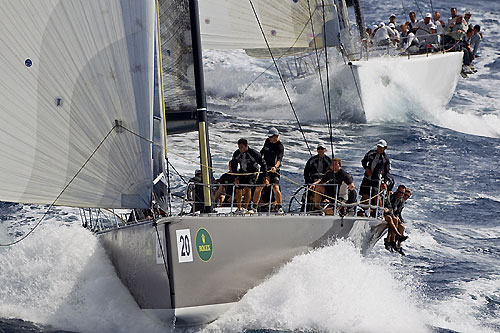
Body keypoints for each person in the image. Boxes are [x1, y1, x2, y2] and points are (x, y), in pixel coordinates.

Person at [230, 138, 267, 213]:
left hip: (252, 172)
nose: (240, 149)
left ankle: (245, 208)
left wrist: (264, 177)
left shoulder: (253, 153)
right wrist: (235, 177)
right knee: (238, 188)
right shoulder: (237, 153)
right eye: (239, 147)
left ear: (246, 146)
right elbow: (234, 165)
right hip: (242, 172)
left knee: (247, 188)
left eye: (241, 147)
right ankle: (239, 208)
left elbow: (263, 164)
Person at [253, 127, 284, 213]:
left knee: (275, 187)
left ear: (276, 136)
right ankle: (254, 207)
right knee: (259, 187)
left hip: (274, 169)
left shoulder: (280, 146)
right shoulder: (267, 142)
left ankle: (279, 207)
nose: (269, 138)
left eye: (271, 137)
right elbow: (262, 152)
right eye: (269, 137)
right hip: (265, 168)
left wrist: (275, 167)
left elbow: (279, 159)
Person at [360, 139, 391, 215]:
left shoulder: (385, 159)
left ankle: (380, 212)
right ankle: (367, 211)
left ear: (385, 148)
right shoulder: (371, 153)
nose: (379, 149)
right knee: (365, 194)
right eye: (378, 147)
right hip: (367, 177)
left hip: (376, 179)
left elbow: (386, 172)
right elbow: (364, 161)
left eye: (381, 147)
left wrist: (384, 182)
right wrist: (366, 168)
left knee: (376, 195)